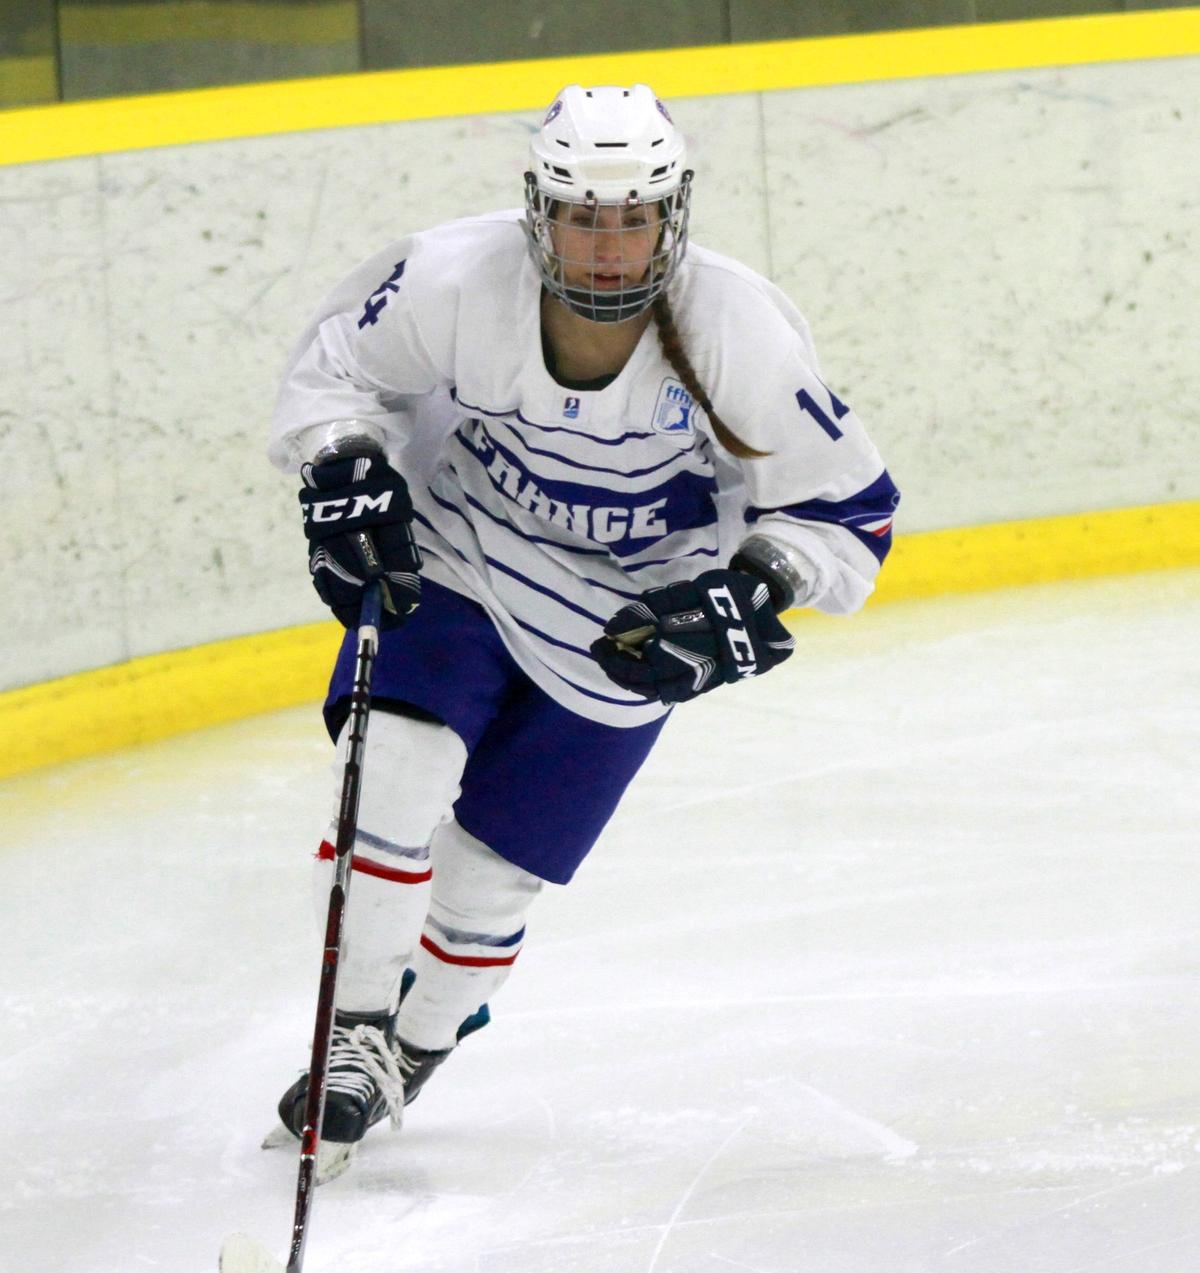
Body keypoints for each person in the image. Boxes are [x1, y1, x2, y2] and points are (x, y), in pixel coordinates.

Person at [267, 83, 899, 1176]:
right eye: (581, 217)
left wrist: (756, 588)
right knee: (393, 769)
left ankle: (416, 1042)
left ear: (672, 215)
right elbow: (339, 374)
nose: (608, 248)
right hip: (467, 553)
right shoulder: (454, 279)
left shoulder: (736, 327)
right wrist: (344, 458)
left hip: (629, 624)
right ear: (539, 209)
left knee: (492, 877)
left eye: (634, 218)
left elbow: (847, 510)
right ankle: (353, 1029)